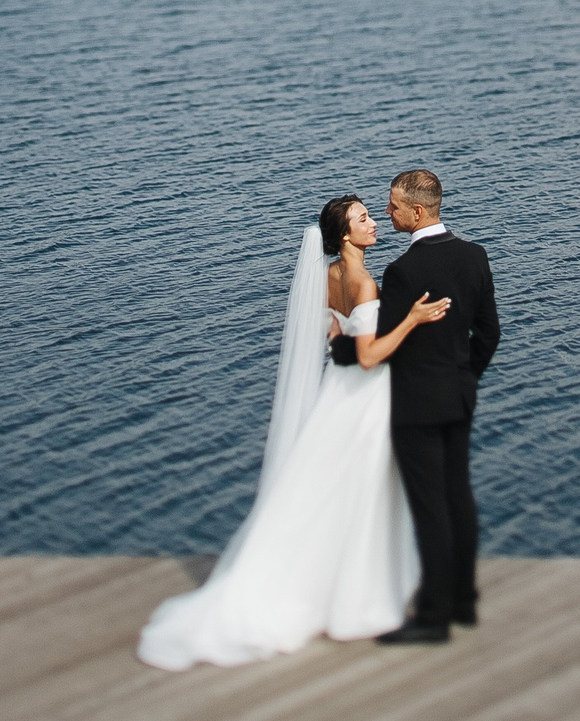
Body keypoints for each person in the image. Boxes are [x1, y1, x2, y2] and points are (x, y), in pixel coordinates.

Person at [136, 195, 450, 670]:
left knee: (328, 491)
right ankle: (354, 600)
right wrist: (411, 319)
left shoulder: (328, 279)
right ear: (346, 234)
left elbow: (334, 340)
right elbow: (367, 356)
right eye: (363, 218)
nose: (373, 222)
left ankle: (335, 589)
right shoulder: (364, 283)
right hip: (364, 399)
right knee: (360, 495)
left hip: (334, 394)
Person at [332, 169, 499, 645]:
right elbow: (489, 333)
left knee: (430, 509)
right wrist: (467, 377)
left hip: (416, 403)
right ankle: (464, 599)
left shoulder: (403, 272)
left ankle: (432, 617)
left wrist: (338, 347)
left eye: (393, 207)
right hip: (459, 395)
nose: (388, 213)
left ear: (417, 212)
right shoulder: (474, 256)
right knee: (458, 496)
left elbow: (384, 344)